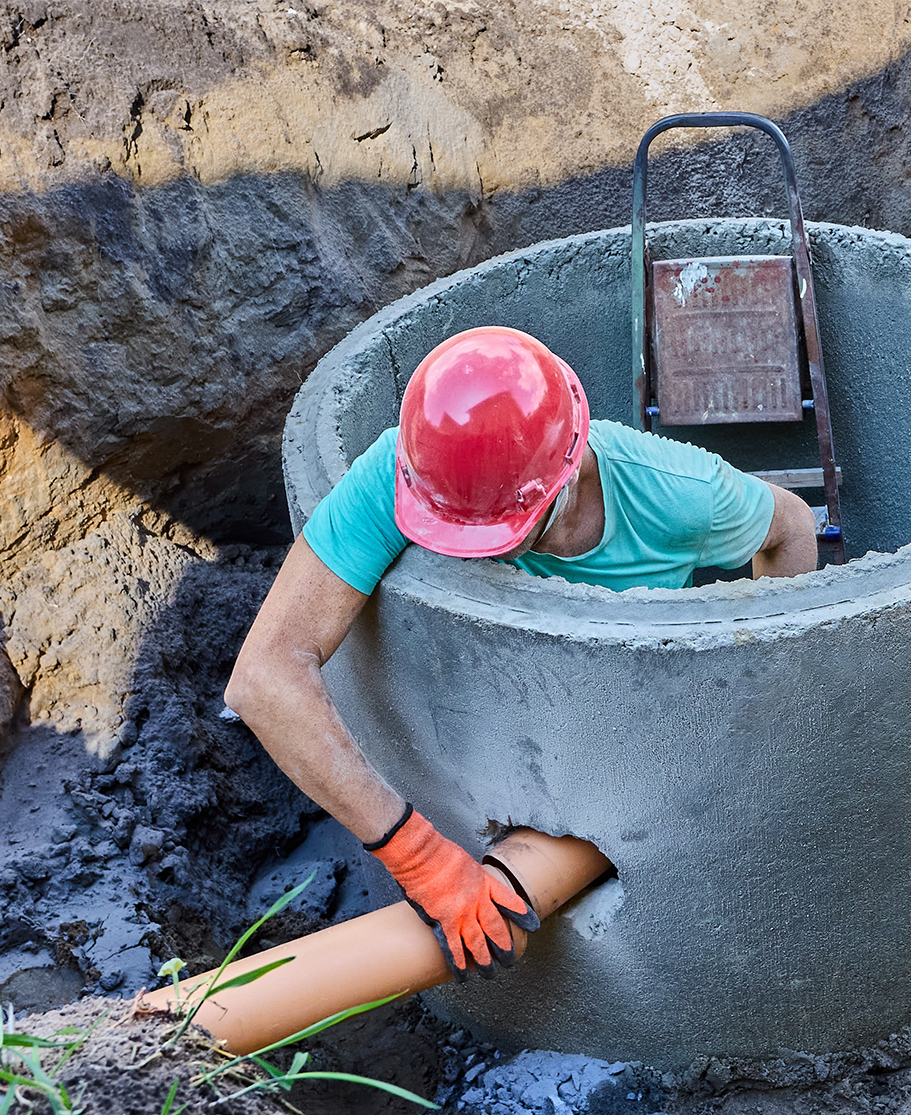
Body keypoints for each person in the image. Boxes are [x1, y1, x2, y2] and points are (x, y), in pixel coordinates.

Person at [224, 325, 817, 978]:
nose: (456, 549)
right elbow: (264, 679)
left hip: (629, 744)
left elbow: (791, 527)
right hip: (475, 748)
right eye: (446, 530)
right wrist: (417, 854)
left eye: (489, 536)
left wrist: (753, 698)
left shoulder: (677, 494)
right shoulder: (413, 474)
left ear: (560, 486)